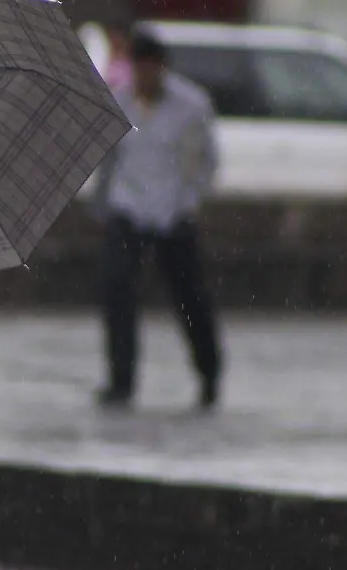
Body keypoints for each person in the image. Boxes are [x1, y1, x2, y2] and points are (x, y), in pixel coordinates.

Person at [96, 31, 224, 410]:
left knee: (189, 298)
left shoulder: (192, 106)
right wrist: (102, 207)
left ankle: (209, 373)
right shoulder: (119, 103)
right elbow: (109, 162)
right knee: (116, 291)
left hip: (172, 212)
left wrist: (189, 201)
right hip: (128, 209)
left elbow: (207, 162)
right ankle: (121, 379)